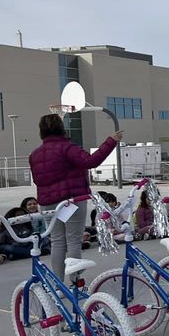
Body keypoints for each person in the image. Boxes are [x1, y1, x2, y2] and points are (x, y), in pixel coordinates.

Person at [28, 113, 120, 281]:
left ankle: (58, 284)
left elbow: (37, 179)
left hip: (48, 204)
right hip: (71, 201)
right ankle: (75, 282)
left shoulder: (34, 154)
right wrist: (111, 141)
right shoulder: (68, 147)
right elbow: (91, 161)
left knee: (57, 241)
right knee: (73, 241)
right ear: (61, 128)